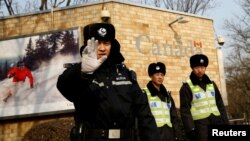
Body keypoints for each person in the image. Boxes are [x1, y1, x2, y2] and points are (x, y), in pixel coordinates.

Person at [56, 23, 161, 141]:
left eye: (106, 43)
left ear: (112, 46)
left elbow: (145, 115)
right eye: (97, 43)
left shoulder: (126, 75)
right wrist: (83, 71)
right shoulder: (81, 74)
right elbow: (63, 86)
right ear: (88, 46)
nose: (102, 48)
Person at [179, 54, 229, 141]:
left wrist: (225, 122)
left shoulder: (212, 84)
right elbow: (185, 111)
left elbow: (220, 104)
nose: (200, 70)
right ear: (192, 68)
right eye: (197, 67)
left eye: (202, 67)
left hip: (217, 121)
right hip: (200, 126)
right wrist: (190, 129)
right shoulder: (186, 87)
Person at [143, 62, 182, 141]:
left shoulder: (167, 95)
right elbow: (142, 118)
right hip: (153, 134)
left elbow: (174, 117)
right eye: (157, 74)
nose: (160, 77)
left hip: (169, 134)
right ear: (151, 76)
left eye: (162, 74)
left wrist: (177, 135)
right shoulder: (144, 94)